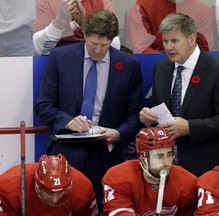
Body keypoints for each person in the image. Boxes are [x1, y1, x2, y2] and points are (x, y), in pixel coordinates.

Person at [35, 10, 143, 213]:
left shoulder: (129, 65)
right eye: (94, 44)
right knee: (68, 202)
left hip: (106, 148)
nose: (99, 50)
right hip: (67, 145)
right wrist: (68, 121)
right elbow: (43, 105)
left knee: (104, 205)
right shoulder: (61, 57)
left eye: (105, 45)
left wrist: (119, 133)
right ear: (85, 35)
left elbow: (135, 114)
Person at [139, 13, 219, 177]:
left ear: (192, 39)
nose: (168, 47)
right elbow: (158, 105)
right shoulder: (161, 67)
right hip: (166, 166)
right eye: (165, 41)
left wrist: (190, 127)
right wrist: (147, 115)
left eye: (174, 41)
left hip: (204, 166)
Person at [102, 126, 198, 215]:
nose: (166, 162)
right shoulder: (118, 177)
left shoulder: (187, 182)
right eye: (159, 156)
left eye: (169, 155)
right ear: (143, 158)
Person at [0, 154, 98, 215]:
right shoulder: (9, 186)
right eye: (48, 193)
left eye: (60, 193)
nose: (54, 199)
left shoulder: (82, 187)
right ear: (37, 185)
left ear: (70, 185)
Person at [33, 0, 120, 55]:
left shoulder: (101, 1)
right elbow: (40, 49)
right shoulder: (47, 1)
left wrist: (84, 23)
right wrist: (60, 20)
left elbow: (115, 45)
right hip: (60, 63)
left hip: (93, 60)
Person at [124, 0, 213, 53]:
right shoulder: (143, 7)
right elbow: (141, 49)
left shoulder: (202, 10)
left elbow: (205, 51)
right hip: (153, 67)